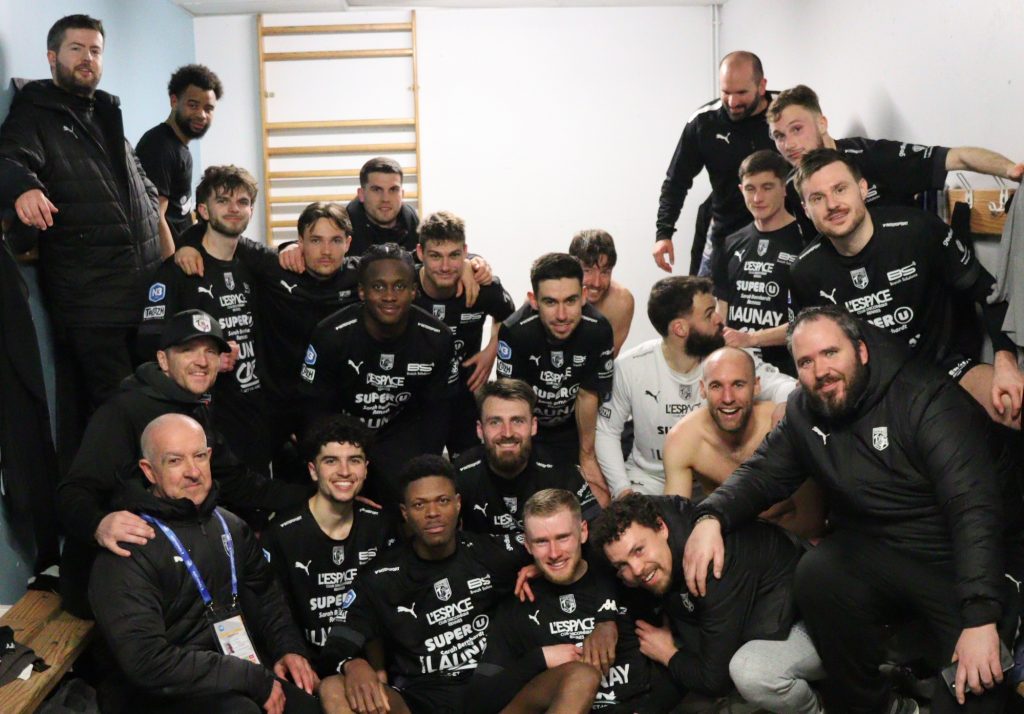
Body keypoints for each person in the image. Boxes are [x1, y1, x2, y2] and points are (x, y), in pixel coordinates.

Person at [684, 307, 1024, 713]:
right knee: (818, 572)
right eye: (806, 362)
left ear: (861, 351)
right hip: (886, 551)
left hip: (960, 560)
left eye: (831, 353)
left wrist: (981, 618)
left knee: (978, 695)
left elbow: (973, 510)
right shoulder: (805, 411)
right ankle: (881, 705)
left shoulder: (923, 398)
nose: (820, 371)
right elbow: (761, 474)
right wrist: (711, 516)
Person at [56, 309, 309, 617]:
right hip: (113, 580)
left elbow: (237, 481)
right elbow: (72, 493)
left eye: (211, 352)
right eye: (188, 350)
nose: (202, 361)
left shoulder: (194, 406)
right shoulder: (124, 410)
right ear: (163, 360)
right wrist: (98, 524)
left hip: (172, 570)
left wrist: (317, 497)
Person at [88, 414, 320, 714]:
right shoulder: (129, 545)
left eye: (199, 456)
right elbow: (146, 661)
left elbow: (266, 595)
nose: (193, 471)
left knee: (307, 707)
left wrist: (288, 648)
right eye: (175, 461)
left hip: (233, 668)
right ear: (149, 471)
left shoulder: (231, 525)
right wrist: (249, 678)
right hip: (161, 691)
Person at [788, 148, 1024, 427]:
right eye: (817, 198)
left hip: (943, 370)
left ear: (862, 189)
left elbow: (990, 294)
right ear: (806, 209)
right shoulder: (804, 271)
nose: (832, 204)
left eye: (840, 189)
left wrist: (1006, 363)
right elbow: (805, 345)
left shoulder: (918, 230)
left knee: (1013, 404)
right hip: (865, 390)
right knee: (789, 415)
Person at [0, 14, 161, 409]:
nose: (88, 57)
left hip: (142, 297)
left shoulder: (106, 112)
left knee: (152, 406)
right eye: (77, 49)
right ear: (52, 57)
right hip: (92, 306)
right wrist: (25, 189)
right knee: (119, 412)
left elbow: (143, 186)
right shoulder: (35, 113)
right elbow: (9, 159)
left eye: (95, 50)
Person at [318, 454, 532, 714]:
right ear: (405, 513)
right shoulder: (380, 576)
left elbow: (556, 549)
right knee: (332, 687)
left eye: (442, 501)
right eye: (419, 505)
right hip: (420, 700)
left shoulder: (490, 552)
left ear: (458, 503)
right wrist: (353, 665)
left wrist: (539, 567)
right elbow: (336, 645)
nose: (433, 513)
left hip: (492, 691)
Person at [592, 494, 822, 713]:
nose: (636, 569)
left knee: (751, 671)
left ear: (661, 527)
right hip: (766, 615)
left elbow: (715, 680)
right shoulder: (659, 533)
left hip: (816, 624)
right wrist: (605, 619)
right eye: (622, 565)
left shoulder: (709, 560)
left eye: (639, 550)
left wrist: (669, 654)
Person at [466, 488, 678, 714]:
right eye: (541, 542)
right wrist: (540, 659)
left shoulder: (627, 581)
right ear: (527, 545)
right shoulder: (519, 603)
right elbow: (479, 701)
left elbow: (674, 668)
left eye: (563, 537)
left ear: (583, 532)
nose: (554, 553)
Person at [594, 276, 795, 498]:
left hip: (713, 480)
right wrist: (622, 490)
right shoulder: (630, 367)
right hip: (650, 480)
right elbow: (606, 430)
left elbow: (782, 385)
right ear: (680, 328)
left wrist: (784, 405)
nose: (719, 319)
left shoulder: (727, 360)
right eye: (709, 314)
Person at [300, 243, 458, 506]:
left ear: (414, 291)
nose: (389, 296)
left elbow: (438, 416)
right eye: (378, 287)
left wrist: (417, 478)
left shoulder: (437, 338)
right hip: (342, 438)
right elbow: (314, 412)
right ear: (362, 291)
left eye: (399, 286)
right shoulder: (331, 335)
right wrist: (339, 477)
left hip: (400, 437)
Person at [139, 164, 273, 470]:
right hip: (201, 417)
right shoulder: (178, 271)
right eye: (223, 201)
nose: (234, 209)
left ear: (251, 210)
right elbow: (148, 344)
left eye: (242, 202)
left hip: (253, 411)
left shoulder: (254, 265)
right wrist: (202, 359)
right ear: (203, 210)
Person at [766, 84, 1024, 240]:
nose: (789, 144)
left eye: (797, 129)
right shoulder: (794, 187)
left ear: (822, 123)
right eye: (779, 136)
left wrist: (1010, 170)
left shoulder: (872, 156)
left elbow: (957, 157)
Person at [261, 415, 398, 674]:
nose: (344, 471)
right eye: (331, 461)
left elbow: (388, 608)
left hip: (369, 664)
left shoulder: (380, 526)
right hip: (307, 669)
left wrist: (380, 671)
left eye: (354, 460)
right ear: (313, 470)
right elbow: (273, 613)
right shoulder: (281, 535)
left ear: (366, 469)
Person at [662, 347, 825, 540]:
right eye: (716, 386)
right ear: (703, 389)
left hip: (800, 539)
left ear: (756, 386)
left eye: (738, 385)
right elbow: (673, 526)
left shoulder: (784, 425)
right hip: (734, 545)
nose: (728, 398)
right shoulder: (683, 440)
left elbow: (813, 518)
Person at [496, 252, 615, 504]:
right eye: (550, 302)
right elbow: (512, 403)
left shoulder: (598, 329)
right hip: (529, 431)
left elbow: (587, 395)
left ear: (584, 296)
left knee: (599, 499)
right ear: (534, 300)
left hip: (573, 430)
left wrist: (587, 457)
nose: (562, 315)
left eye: (570, 301)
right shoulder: (515, 332)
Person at [653, 51, 776, 276]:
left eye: (741, 93)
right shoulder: (704, 122)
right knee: (702, 294)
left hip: (779, 229)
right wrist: (664, 233)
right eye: (726, 92)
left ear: (761, 86)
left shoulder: (786, 112)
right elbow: (676, 180)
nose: (732, 102)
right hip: (725, 227)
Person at [415, 210, 516, 456]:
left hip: (465, 396)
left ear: (465, 252)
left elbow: (510, 318)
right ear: (420, 253)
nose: (445, 267)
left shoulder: (483, 287)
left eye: (454, 255)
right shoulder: (404, 285)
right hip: (416, 400)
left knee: (470, 467)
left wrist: (492, 350)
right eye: (435, 256)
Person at [455, 379, 600, 536]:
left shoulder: (560, 470)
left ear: (533, 426)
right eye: (495, 422)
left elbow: (597, 534)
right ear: (480, 429)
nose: (507, 433)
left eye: (517, 421)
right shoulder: (462, 472)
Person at [712, 150, 803, 375]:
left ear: (784, 188)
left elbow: (812, 320)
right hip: (737, 370)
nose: (757, 198)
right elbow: (722, 308)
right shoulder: (730, 243)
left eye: (767, 187)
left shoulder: (806, 242)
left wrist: (752, 338)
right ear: (741, 190)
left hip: (787, 372)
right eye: (750, 189)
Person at [136, 64, 222, 245]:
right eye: (193, 105)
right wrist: (172, 261)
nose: (202, 115)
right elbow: (156, 216)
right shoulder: (159, 146)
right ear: (174, 101)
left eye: (208, 108)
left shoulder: (179, 147)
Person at [568, 229, 635, 355]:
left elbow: (607, 358)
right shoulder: (550, 295)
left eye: (605, 272)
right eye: (587, 271)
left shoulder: (621, 302)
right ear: (572, 267)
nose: (597, 283)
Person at [346, 156, 418, 256]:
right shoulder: (343, 230)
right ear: (361, 194)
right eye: (377, 190)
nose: (385, 199)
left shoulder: (413, 223)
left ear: (402, 194)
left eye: (393, 189)